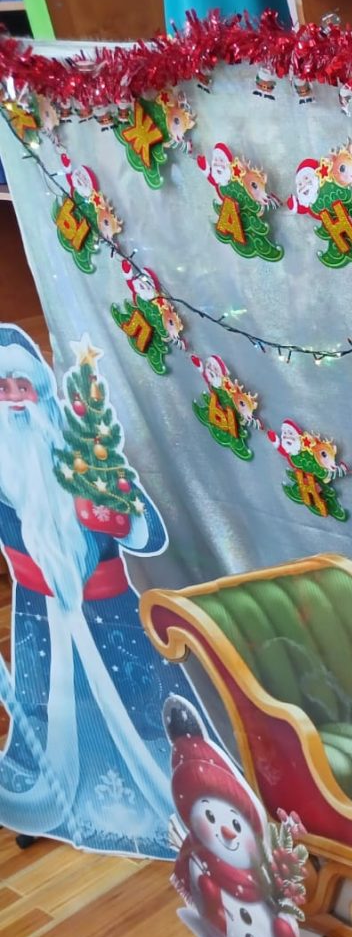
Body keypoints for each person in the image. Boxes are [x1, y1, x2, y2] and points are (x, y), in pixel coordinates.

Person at [0, 324, 209, 857]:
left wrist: (121, 511)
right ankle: (62, 802)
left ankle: (190, 807)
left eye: (23, 387)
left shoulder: (84, 454)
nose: (14, 400)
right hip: (37, 615)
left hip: (111, 610)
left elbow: (148, 535)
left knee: (146, 709)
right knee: (51, 708)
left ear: (42, 391)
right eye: (2, 390)